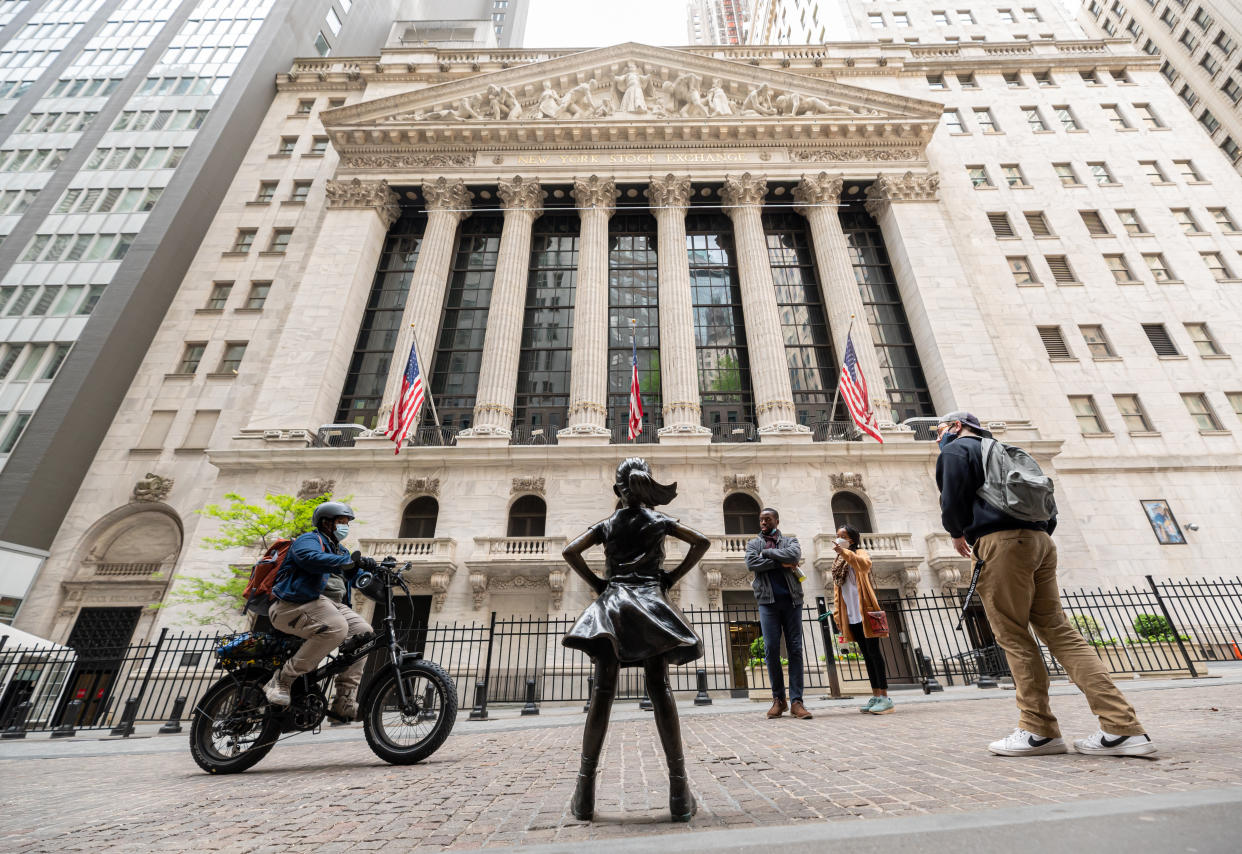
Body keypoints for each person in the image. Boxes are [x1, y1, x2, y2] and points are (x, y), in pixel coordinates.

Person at [935, 411, 1157, 757]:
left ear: (957, 427)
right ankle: (1122, 728)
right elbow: (1046, 503)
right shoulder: (1008, 451)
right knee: (1060, 631)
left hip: (1001, 542)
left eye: (941, 429)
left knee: (1013, 635)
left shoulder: (957, 450)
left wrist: (956, 532)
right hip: (1040, 541)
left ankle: (1037, 730)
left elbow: (952, 500)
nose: (939, 437)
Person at [562, 458, 710, 823]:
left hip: (613, 604)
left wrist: (599, 584)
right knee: (659, 687)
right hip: (649, 603)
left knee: (602, 692)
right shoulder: (659, 521)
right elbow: (701, 542)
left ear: (619, 490)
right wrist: (671, 577)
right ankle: (679, 790)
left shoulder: (608, 523)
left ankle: (584, 793)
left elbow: (570, 552)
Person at [263, 501, 379, 722]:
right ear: (326, 523)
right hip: (296, 604)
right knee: (337, 627)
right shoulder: (309, 540)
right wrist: (347, 562)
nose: (345, 526)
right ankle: (282, 679)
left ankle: (343, 701)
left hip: (330, 606)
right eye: (341, 522)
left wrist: (380, 572)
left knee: (364, 635)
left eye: (347, 523)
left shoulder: (340, 550)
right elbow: (310, 558)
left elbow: (357, 576)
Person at [745, 507, 812, 720]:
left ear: (776, 521)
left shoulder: (790, 541)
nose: (763, 523)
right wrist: (781, 562)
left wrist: (767, 554)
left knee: (795, 649)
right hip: (767, 602)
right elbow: (751, 563)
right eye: (761, 520)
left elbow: (794, 555)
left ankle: (796, 702)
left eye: (767, 519)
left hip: (792, 600)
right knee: (771, 648)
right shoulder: (753, 543)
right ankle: (778, 700)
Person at [830, 524, 893, 714]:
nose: (838, 538)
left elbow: (864, 565)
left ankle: (885, 697)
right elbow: (837, 590)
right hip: (851, 615)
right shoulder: (839, 561)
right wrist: (837, 615)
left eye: (842, 536)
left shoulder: (859, 553)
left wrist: (844, 551)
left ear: (852, 539)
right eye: (837, 535)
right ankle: (876, 695)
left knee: (875, 654)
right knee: (866, 656)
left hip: (865, 612)